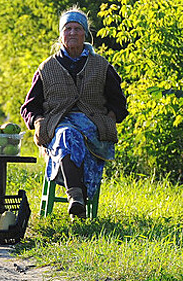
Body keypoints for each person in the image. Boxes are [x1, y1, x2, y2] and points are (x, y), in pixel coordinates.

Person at [20, 7, 128, 220]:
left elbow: (119, 104)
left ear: (85, 34)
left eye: (77, 28)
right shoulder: (46, 68)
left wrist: (110, 119)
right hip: (58, 126)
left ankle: (77, 199)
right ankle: (76, 197)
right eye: (67, 28)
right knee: (67, 135)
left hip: (93, 129)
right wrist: (38, 121)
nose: (72, 33)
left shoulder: (101, 65)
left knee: (76, 136)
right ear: (61, 35)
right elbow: (29, 107)